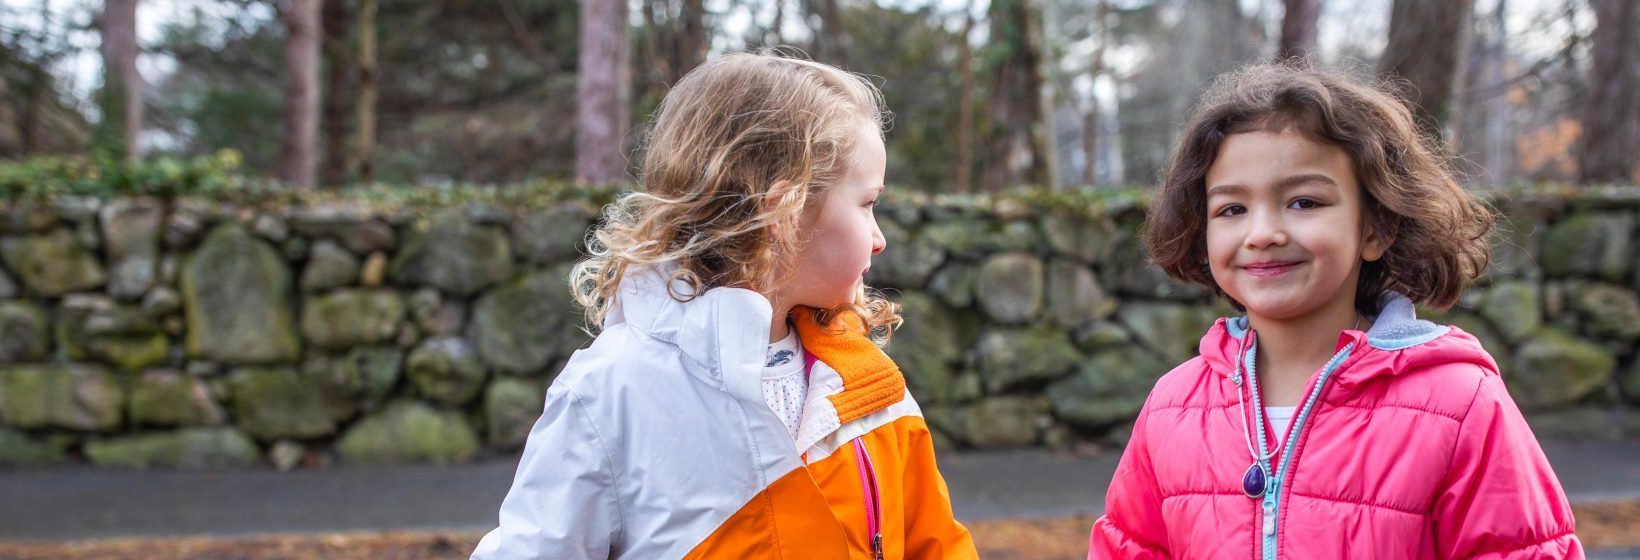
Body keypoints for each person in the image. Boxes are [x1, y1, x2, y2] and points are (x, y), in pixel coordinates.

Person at [471, 51, 977, 559]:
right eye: (867, 204)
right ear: (783, 207)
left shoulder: (868, 384)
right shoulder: (612, 392)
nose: (878, 238)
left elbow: (936, 546)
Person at [1088, 61, 1584, 559]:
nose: (1262, 233)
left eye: (1304, 202)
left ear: (1376, 229)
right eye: (1232, 209)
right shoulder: (1172, 406)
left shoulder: (1459, 404)